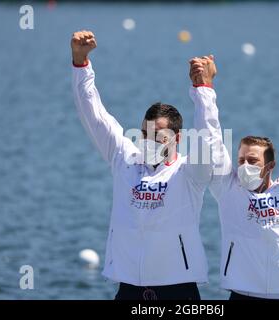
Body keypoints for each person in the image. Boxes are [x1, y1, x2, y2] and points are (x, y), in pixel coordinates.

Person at [71, 30, 221, 300]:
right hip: (128, 289)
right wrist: (81, 64)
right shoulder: (125, 160)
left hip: (179, 291)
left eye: (157, 136)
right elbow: (94, 116)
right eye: (144, 134)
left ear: (177, 138)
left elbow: (207, 139)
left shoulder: (191, 173)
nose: (148, 141)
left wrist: (203, 90)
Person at [189, 60, 279, 300]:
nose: (245, 166)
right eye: (241, 159)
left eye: (252, 161)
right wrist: (205, 88)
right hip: (242, 294)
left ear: (270, 166)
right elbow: (211, 138)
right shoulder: (228, 189)